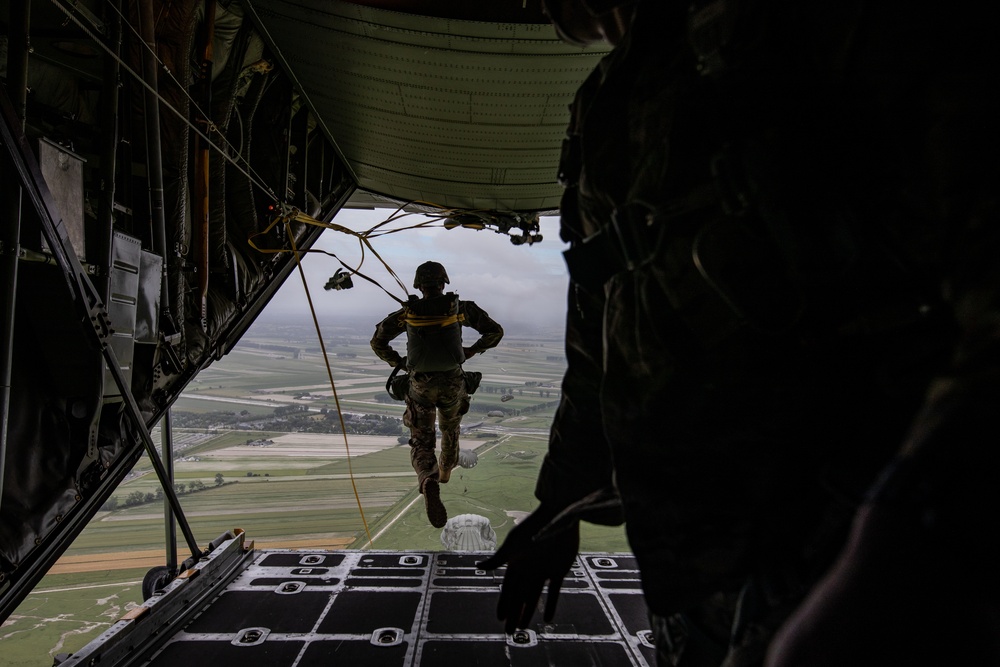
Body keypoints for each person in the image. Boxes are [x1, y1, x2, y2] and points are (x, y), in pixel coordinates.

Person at [478, 1, 999, 665]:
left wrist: (917, 540)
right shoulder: (609, 98)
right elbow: (603, 328)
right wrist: (564, 501)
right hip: (697, 554)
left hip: (843, 530)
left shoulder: (825, 26)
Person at [371, 261, 503, 528]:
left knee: (421, 440)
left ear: (419, 286)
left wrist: (400, 363)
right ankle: (444, 472)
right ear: (444, 283)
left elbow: (378, 341)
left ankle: (428, 478)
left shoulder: (407, 313)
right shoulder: (461, 308)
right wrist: (471, 350)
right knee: (451, 430)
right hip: (453, 383)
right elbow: (495, 332)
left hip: (420, 386)